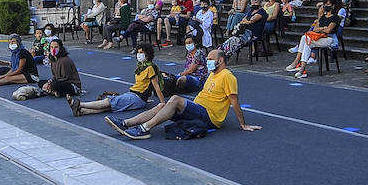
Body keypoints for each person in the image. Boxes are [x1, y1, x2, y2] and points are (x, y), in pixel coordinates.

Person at [105, 50, 260, 139]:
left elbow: (234, 102)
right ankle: (126, 124)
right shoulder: (212, 75)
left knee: (176, 99)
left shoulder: (228, 76)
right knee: (162, 105)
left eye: (210, 59)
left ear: (220, 60)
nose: (207, 62)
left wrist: (243, 124)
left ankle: (144, 129)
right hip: (199, 109)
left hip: (210, 116)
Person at [67, 42, 163, 117]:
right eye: (138, 52)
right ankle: (83, 112)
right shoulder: (140, 67)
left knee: (110, 101)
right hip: (135, 95)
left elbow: (156, 86)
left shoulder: (150, 68)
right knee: (111, 107)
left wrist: (163, 103)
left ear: (148, 54)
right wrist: (146, 99)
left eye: (141, 53)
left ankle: (81, 104)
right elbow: (144, 85)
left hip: (137, 97)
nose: (139, 55)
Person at [285, 1, 340, 78]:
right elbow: (315, 28)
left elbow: (328, 30)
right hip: (319, 38)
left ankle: (299, 64)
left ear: (333, 6)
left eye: (328, 4)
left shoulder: (335, 18)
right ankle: (301, 68)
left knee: (307, 40)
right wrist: (323, 28)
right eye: (325, 4)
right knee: (306, 39)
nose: (325, 6)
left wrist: (321, 29)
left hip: (329, 39)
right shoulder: (323, 18)